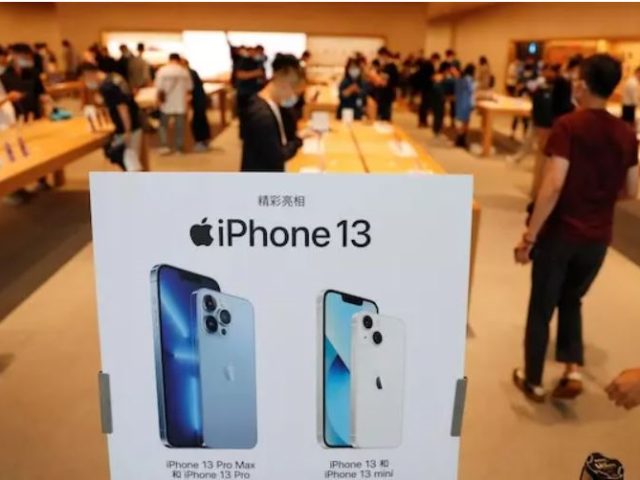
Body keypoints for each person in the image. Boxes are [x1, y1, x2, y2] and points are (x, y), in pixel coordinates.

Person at [513, 54, 639, 403]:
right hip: (598, 237)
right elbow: (632, 189)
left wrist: (529, 236)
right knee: (572, 299)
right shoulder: (626, 133)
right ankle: (571, 370)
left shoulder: (568, 126)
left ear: (582, 84)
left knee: (541, 306)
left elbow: (553, 184)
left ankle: (534, 380)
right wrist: (599, 198)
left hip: (560, 234)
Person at [241, 54, 306, 172]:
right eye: (296, 93)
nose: (294, 98)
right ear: (284, 86)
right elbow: (276, 157)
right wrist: (299, 140)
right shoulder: (262, 115)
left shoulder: (270, 104)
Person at [79, 62, 143, 171]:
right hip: (135, 120)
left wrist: (127, 130)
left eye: (85, 78)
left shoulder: (107, 87)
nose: (86, 82)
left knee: (128, 158)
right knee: (130, 157)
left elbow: (122, 107)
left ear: (88, 74)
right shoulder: (114, 77)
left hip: (127, 125)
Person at [154, 53, 193, 155]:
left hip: (166, 103)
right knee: (179, 126)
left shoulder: (162, 71)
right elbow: (189, 88)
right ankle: (179, 147)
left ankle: (164, 146)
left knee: (163, 125)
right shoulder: (184, 71)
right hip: (180, 102)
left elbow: (159, 88)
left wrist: (158, 101)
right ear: (178, 60)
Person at [1, 43, 49, 121]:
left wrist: (45, 101)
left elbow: (41, 92)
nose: (26, 60)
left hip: (36, 115)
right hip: (16, 118)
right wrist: (9, 97)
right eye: (23, 57)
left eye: (28, 58)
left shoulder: (34, 73)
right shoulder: (4, 77)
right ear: (14, 55)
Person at [182, 58, 211, 152]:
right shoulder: (191, 72)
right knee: (201, 119)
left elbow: (189, 88)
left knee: (197, 121)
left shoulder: (188, 73)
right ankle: (204, 141)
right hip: (199, 99)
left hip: (197, 100)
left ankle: (200, 142)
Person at [454, 63, 476, 148]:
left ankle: (460, 140)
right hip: (466, 103)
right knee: (465, 123)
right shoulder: (468, 79)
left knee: (462, 122)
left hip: (460, 102)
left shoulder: (460, 78)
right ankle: (460, 141)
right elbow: (471, 90)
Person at [375, 47, 399, 121]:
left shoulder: (391, 67)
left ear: (385, 55)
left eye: (380, 56)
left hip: (387, 95)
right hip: (381, 95)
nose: (379, 58)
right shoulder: (384, 67)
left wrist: (377, 79)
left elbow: (386, 82)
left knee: (385, 116)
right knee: (380, 115)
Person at [417, 53, 438, 128]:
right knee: (425, 105)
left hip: (423, 87)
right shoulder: (430, 66)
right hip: (428, 87)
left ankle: (422, 121)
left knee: (423, 105)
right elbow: (431, 77)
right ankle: (423, 121)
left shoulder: (424, 64)